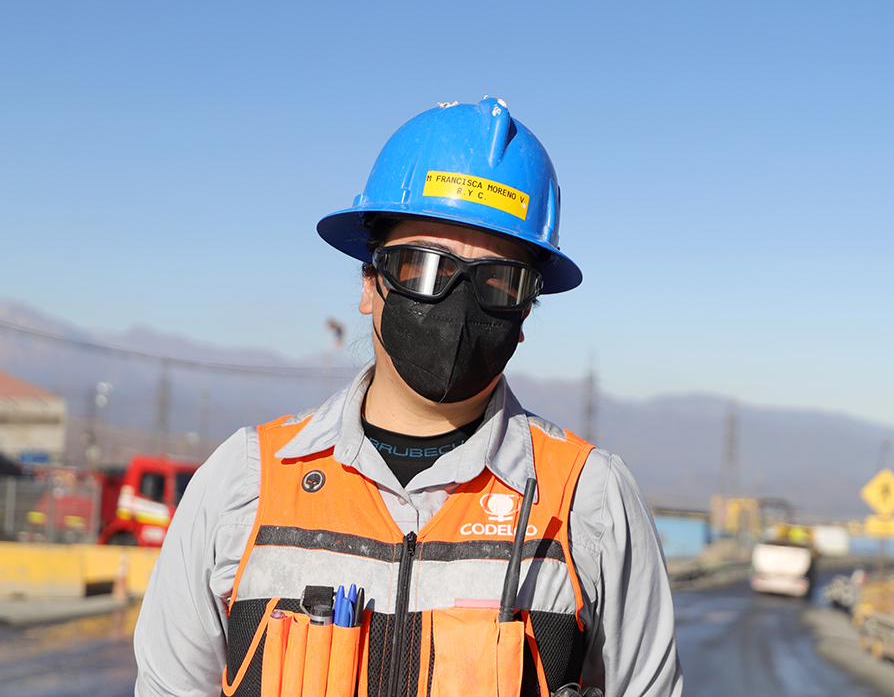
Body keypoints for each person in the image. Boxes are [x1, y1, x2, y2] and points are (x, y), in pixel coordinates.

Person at [134, 97, 682, 697]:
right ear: (370, 283)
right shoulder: (245, 486)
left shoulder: (589, 502)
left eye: (499, 280)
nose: (457, 301)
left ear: (526, 312)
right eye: (423, 266)